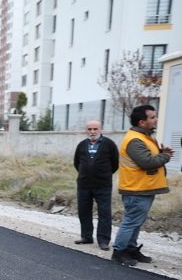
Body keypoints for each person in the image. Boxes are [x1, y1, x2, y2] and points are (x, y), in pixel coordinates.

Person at [112, 105, 174, 266]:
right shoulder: (135, 140)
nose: (156, 119)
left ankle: (131, 249)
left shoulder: (145, 137)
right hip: (136, 189)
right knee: (131, 221)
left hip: (143, 188)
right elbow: (147, 162)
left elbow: (150, 157)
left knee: (136, 221)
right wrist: (165, 156)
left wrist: (161, 152)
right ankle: (119, 251)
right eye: (152, 117)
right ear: (142, 122)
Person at [73, 120, 119, 250]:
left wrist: (103, 174)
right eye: (89, 129)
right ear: (86, 130)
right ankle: (86, 236)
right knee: (84, 211)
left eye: (95, 129)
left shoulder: (109, 144)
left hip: (103, 185)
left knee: (104, 213)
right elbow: (77, 163)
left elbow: (115, 163)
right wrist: (86, 172)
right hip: (84, 184)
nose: (92, 132)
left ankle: (103, 240)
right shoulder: (81, 145)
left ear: (101, 129)